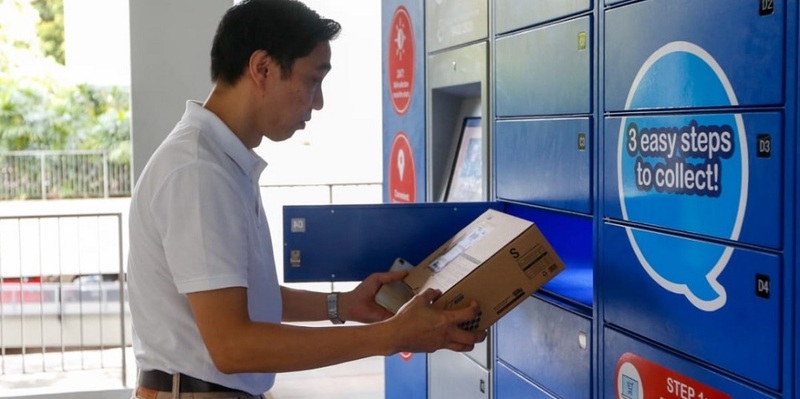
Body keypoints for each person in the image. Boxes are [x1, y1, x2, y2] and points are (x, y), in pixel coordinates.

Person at [126, 1, 487, 398]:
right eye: (313, 80)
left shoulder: (219, 161)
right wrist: (390, 336)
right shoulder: (197, 171)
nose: (317, 103)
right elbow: (233, 346)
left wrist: (342, 306)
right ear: (262, 68)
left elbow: (243, 298)